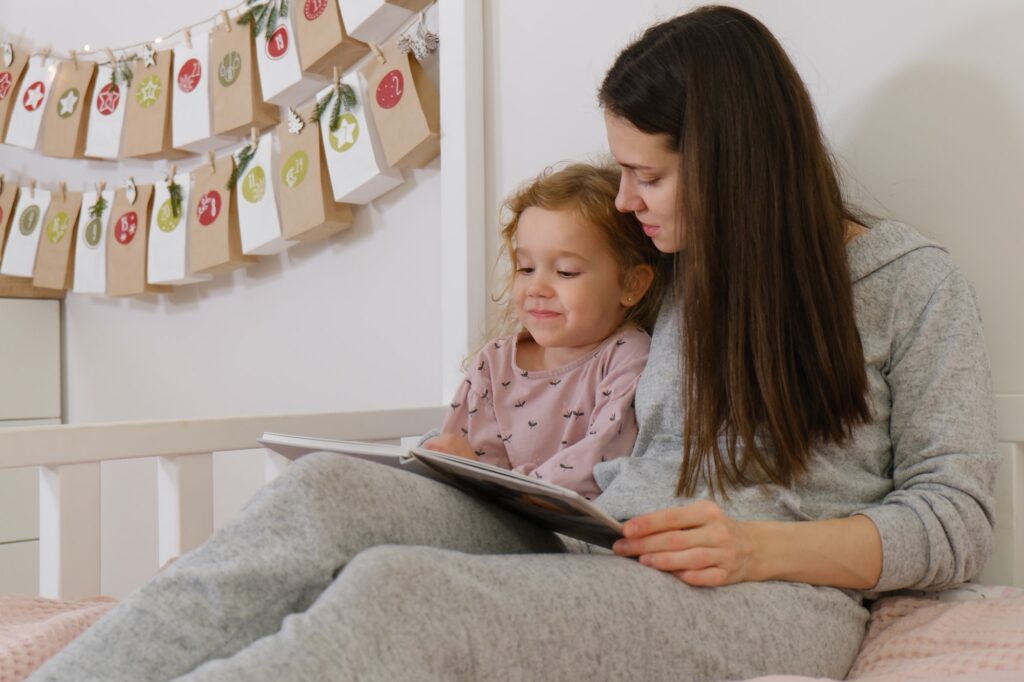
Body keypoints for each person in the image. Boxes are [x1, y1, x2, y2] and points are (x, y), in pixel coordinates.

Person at [32, 6, 997, 681]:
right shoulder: (686, 276)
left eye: (644, 177)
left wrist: (758, 547)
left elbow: (956, 521)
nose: (624, 202)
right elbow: (573, 378)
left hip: (765, 596)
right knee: (325, 493)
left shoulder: (911, 286)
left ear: (734, 163)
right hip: (608, 539)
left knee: (398, 594)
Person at [423, 163, 665, 499]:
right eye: (525, 268)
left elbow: (598, 466)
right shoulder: (494, 363)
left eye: (565, 272)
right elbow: (464, 463)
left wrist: (493, 483)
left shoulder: (625, 355)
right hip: (498, 514)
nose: (537, 287)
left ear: (632, 284)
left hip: (566, 529)